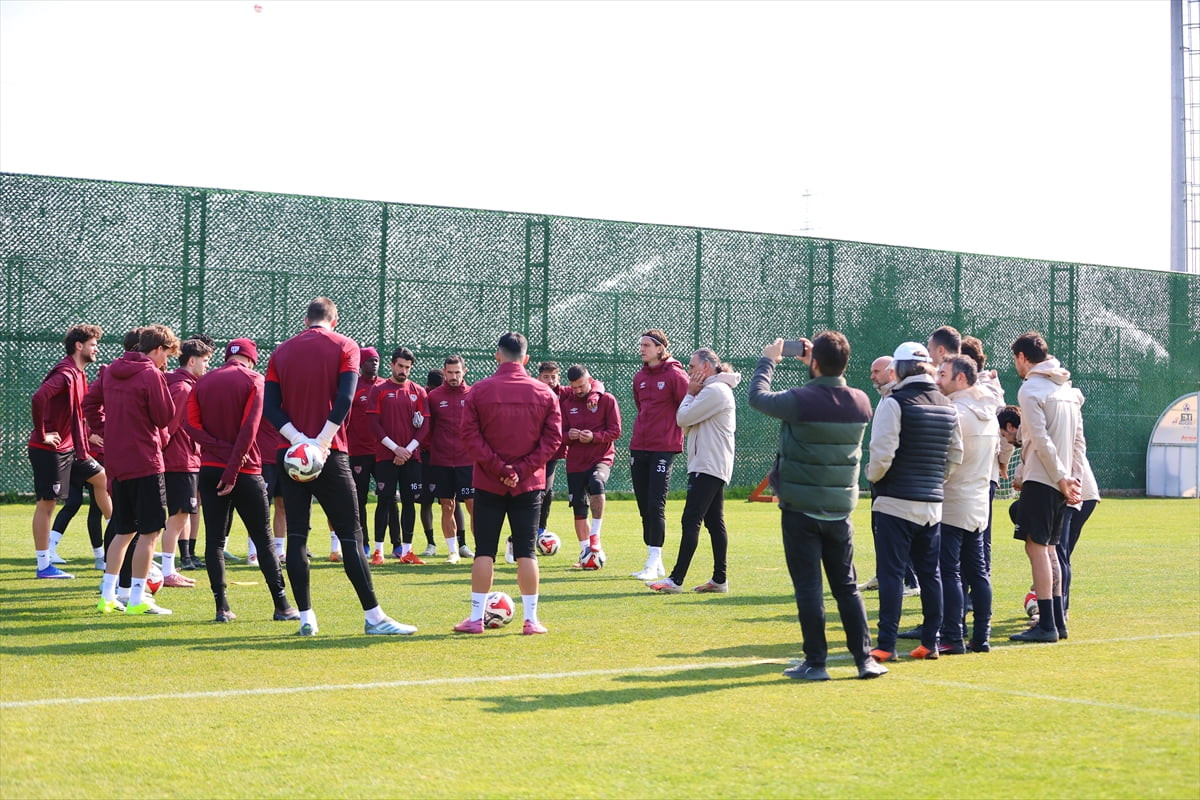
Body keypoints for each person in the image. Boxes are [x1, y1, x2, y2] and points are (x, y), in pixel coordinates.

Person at [263, 297, 416, 636]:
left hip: (291, 454)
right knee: (350, 534)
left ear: (306, 320)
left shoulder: (281, 351)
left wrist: (299, 440)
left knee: (297, 535)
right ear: (335, 320)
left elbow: (270, 407)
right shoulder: (346, 345)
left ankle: (306, 618)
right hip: (330, 452)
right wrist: (319, 442)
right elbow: (346, 399)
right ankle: (374, 617)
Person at [747, 333, 886, 680]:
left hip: (801, 509)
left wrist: (769, 360)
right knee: (847, 587)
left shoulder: (800, 399)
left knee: (809, 588)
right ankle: (864, 660)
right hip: (840, 511)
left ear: (817, 363)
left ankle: (816, 662)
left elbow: (757, 396)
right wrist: (818, 365)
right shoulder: (861, 402)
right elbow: (833, 391)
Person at [453, 332, 562, 635]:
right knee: (526, 551)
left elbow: (469, 435)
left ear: (498, 355)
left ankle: (476, 618)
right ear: (526, 359)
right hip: (528, 484)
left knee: (484, 551)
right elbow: (553, 439)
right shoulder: (544, 393)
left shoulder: (479, 390)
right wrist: (521, 470)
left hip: (489, 481)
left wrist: (499, 468)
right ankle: (531, 620)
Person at [185, 338, 299, 623]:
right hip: (245, 471)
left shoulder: (203, 381)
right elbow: (249, 428)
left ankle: (221, 608)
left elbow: (191, 426)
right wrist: (233, 466)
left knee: (214, 541)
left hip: (210, 468)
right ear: (251, 358)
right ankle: (282, 606)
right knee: (263, 539)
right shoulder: (254, 380)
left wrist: (220, 451)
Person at [866, 341, 962, 661]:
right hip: (931, 504)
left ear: (900, 368)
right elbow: (955, 455)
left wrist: (873, 477)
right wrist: (935, 480)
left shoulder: (894, 402)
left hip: (895, 501)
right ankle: (930, 643)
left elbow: (882, 455)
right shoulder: (949, 405)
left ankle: (885, 645)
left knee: (891, 574)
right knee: (930, 574)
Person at [92, 324, 180, 615]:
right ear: (157, 349)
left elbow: (90, 403)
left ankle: (108, 596)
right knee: (150, 532)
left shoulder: (110, 370)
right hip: (144, 460)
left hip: (118, 462)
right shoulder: (150, 374)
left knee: (123, 531)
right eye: (166, 354)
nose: (166, 361)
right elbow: (164, 416)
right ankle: (137, 598)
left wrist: (106, 431)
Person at [1008, 331, 1084, 643]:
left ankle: (1047, 625)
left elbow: (1040, 440)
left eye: (1015, 360)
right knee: (1051, 548)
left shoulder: (1031, 389)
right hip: (1060, 480)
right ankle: (1057, 622)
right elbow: (1078, 441)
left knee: (1036, 548)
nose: (1016, 366)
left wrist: (1061, 477)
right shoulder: (1066, 388)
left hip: (1043, 479)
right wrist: (1073, 478)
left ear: (1022, 357)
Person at [647, 348, 740, 595]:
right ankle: (720, 580)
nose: (688, 372)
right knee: (713, 521)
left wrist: (689, 394)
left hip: (708, 464)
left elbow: (682, 418)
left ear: (706, 367)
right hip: (709, 463)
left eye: (691, 366)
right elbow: (688, 425)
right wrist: (692, 403)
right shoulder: (712, 390)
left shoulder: (714, 390)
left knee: (691, 519)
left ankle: (676, 580)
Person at [29, 324, 112, 579]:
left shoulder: (79, 374)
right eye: (93, 345)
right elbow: (39, 397)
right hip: (50, 449)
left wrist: (86, 435)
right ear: (79, 346)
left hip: (71, 449)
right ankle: (44, 565)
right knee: (47, 504)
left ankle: (122, 536)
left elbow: (75, 414)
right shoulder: (65, 373)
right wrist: (43, 433)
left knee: (102, 478)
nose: (96, 349)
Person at [933, 355, 998, 654]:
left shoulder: (955, 412)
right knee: (978, 572)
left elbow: (947, 459)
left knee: (950, 571)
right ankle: (981, 636)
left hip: (953, 500)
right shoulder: (989, 411)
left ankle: (952, 635)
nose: (937, 380)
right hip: (978, 503)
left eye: (943, 374)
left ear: (961, 378)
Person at [629, 329, 690, 581]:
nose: (642, 349)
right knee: (644, 505)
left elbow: (687, 406)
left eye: (647, 345)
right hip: (639, 446)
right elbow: (640, 406)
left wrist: (673, 432)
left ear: (660, 348)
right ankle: (654, 559)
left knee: (656, 504)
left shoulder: (676, 375)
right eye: (641, 344)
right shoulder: (639, 377)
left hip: (664, 447)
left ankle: (653, 560)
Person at [366, 346, 430, 564]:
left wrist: (407, 450)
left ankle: (407, 551)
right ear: (392, 365)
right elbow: (374, 424)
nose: (403, 371)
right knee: (384, 500)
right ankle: (378, 551)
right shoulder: (379, 389)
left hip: (411, 457)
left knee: (410, 502)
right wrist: (395, 449)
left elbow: (425, 426)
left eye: (407, 367)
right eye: (400, 366)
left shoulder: (418, 391)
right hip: (386, 456)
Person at [160, 337, 213, 589]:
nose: (207, 366)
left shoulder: (185, 385)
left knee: (179, 517)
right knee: (178, 517)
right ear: (192, 361)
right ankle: (167, 571)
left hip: (183, 459)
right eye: (205, 360)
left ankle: (167, 569)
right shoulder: (183, 388)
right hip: (180, 461)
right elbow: (168, 427)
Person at [561, 364, 622, 564]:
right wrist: (568, 435)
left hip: (600, 457)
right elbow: (559, 434)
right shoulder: (566, 403)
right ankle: (585, 553)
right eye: (574, 387)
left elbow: (616, 431)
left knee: (597, 483)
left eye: (581, 386)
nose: (578, 390)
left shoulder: (606, 400)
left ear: (590, 380)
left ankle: (595, 534)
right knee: (579, 508)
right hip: (575, 462)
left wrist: (594, 437)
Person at [425, 355, 476, 563]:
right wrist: (434, 449)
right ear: (444, 372)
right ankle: (453, 551)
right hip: (442, 460)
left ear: (464, 371)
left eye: (457, 372)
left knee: (473, 506)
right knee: (447, 505)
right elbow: (427, 429)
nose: (454, 376)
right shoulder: (434, 397)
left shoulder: (473, 394)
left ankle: (482, 550)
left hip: (468, 460)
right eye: (450, 372)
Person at [344, 346, 384, 562]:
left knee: (387, 499)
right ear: (361, 364)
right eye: (370, 360)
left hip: (383, 452)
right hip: (358, 452)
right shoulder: (354, 386)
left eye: (376, 360)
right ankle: (364, 543)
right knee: (359, 500)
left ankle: (396, 544)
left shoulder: (385, 386)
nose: (374, 363)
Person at [535, 361, 566, 545]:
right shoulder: (532, 392)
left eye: (553, 376)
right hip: (532, 452)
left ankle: (540, 529)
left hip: (552, 452)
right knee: (534, 491)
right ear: (539, 377)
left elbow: (593, 384)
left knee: (545, 491)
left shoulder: (565, 393)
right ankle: (526, 530)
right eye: (546, 377)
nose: (550, 380)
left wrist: (595, 393)